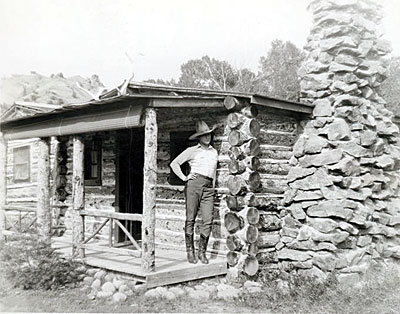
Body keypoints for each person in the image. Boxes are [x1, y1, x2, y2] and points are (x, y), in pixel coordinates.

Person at [170, 121, 218, 264]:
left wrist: (213, 187)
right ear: (199, 137)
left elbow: (213, 172)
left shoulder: (214, 152)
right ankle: (190, 252)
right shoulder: (192, 150)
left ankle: (202, 252)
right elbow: (174, 164)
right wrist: (185, 178)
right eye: (204, 135)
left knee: (208, 219)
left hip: (209, 188)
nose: (207, 137)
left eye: (209, 134)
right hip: (194, 185)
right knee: (190, 218)